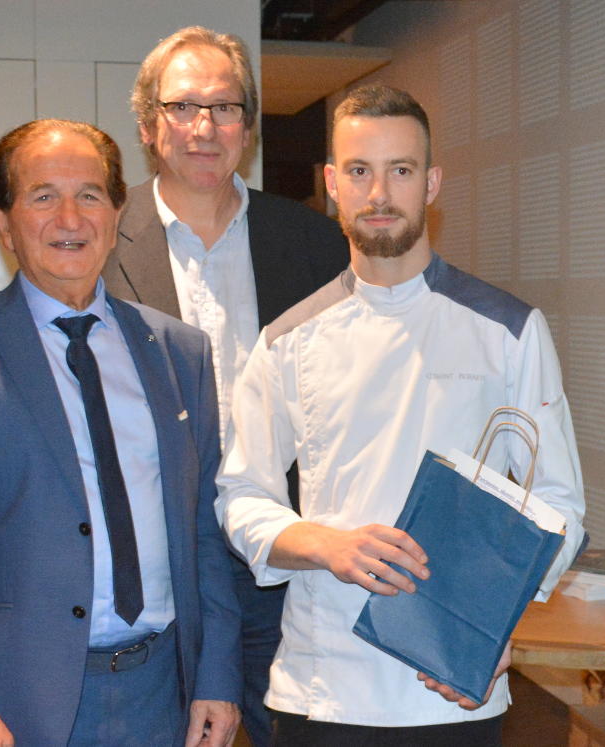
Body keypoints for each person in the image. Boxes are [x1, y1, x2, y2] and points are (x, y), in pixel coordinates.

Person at [216, 84, 585, 744]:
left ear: (432, 183)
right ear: (333, 184)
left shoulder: (509, 330)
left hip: (454, 687)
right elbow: (241, 496)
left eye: (402, 170)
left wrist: (495, 623)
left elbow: (558, 505)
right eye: (360, 171)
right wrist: (328, 544)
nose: (379, 193)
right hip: (323, 686)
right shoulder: (286, 340)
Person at [0, 119, 240, 746]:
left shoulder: (179, 352)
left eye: (90, 195)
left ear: (117, 213)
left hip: (163, 697)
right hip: (11, 705)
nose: (70, 218)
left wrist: (218, 676)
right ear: (3, 220)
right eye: (43, 196)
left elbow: (205, 528)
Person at [103, 26, 347, 747]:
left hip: (281, 561)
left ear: (249, 126)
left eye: (225, 107)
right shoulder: (101, 241)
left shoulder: (313, 242)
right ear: (148, 124)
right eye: (183, 106)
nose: (204, 127)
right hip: (161, 564)